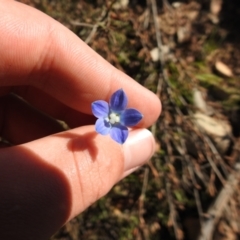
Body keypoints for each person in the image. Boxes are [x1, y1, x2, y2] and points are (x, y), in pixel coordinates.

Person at [0, 1, 161, 239]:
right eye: (112, 115)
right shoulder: (103, 113)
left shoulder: (121, 118)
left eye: (116, 116)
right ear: (108, 111)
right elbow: (101, 114)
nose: (114, 117)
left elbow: (124, 117)